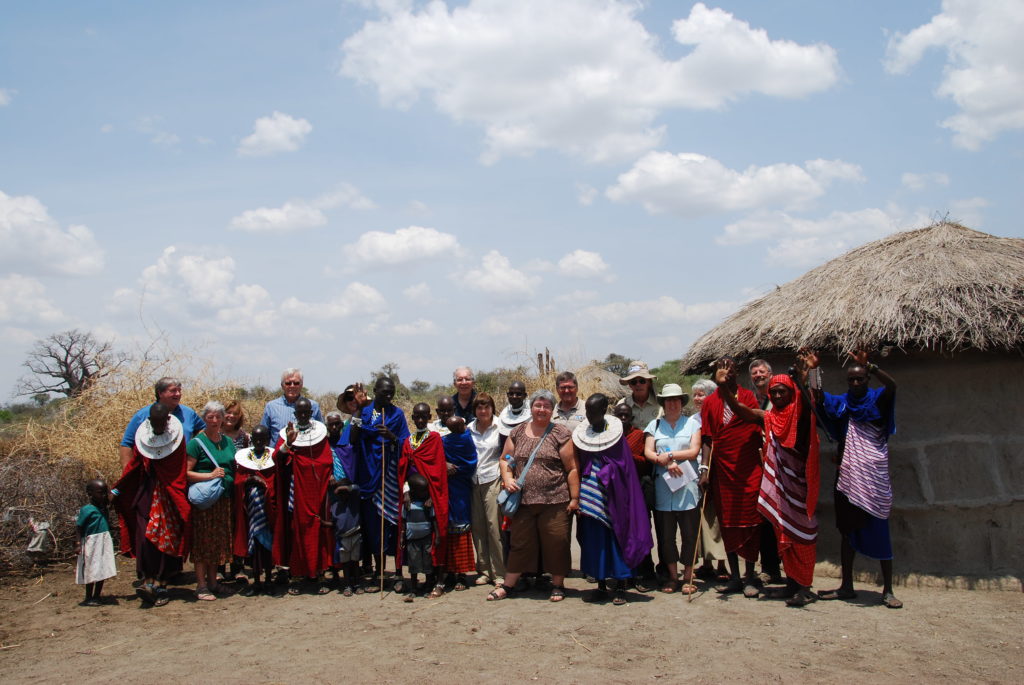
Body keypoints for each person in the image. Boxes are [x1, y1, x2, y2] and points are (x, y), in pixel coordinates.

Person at [716, 366, 820, 606]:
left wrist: (806, 379)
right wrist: (723, 387)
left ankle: (804, 587)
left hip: (799, 487)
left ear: (791, 393)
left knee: (802, 536)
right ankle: (792, 584)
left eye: (783, 391)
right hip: (781, 487)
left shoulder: (800, 415)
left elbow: (808, 404)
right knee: (783, 535)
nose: (778, 395)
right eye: (774, 393)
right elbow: (741, 410)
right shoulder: (770, 417)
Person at [808, 348, 902, 609]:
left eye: (860, 378)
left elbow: (892, 386)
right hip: (848, 477)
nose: (856, 383)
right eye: (851, 379)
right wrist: (814, 371)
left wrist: (870, 365)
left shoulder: (877, 400)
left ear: (867, 379)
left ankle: (888, 590)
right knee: (847, 532)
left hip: (874, 477)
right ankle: (847, 586)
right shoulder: (844, 404)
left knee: (880, 528)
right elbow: (818, 398)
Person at [488, 389, 578, 602]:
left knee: (557, 542)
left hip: (555, 500)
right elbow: (505, 459)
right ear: (531, 407)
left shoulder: (561, 433)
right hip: (524, 502)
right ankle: (508, 585)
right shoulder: (517, 432)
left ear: (552, 410)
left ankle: (558, 585)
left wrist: (575, 498)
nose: (542, 409)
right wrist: (508, 478)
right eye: (538, 405)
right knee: (519, 543)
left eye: (547, 406)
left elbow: (572, 468)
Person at [574, 394, 653, 605]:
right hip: (590, 495)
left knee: (616, 539)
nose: (589, 416)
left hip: (614, 494)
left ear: (603, 411)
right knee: (595, 541)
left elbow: (624, 466)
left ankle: (620, 586)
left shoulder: (617, 438)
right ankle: (600, 585)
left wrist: (608, 470)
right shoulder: (583, 435)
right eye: (587, 412)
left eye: (593, 412)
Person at [112, 403, 191, 607]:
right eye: (154, 423)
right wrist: (118, 489)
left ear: (167, 420)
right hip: (147, 493)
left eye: (161, 423)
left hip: (169, 494)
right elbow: (135, 465)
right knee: (145, 537)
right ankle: (148, 581)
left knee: (167, 538)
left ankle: (162, 584)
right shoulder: (143, 438)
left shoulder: (177, 439)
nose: (157, 427)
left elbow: (177, 470)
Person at [701, 357, 765, 597]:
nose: (726, 372)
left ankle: (750, 576)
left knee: (751, 521)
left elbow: (751, 422)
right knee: (727, 523)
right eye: (722, 368)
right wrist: (704, 470)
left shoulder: (748, 397)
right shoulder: (710, 402)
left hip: (748, 469)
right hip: (723, 470)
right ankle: (735, 576)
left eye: (731, 368)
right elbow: (707, 438)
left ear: (737, 372)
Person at [644, 384, 702, 595]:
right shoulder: (655, 425)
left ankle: (688, 576)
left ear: (681, 402)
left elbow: (694, 451)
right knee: (666, 536)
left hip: (687, 486)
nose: (672, 403)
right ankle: (672, 576)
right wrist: (665, 462)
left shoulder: (692, 424)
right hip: (664, 488)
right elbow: (648, 452)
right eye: (668, 400)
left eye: (676, 399)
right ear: (663, 403)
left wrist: (669, 456)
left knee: (689, 534)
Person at [353, 377, 410, 588]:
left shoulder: (397, 414)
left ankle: (398, 574)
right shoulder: (365, 412)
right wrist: (358, 409)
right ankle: (379, 574)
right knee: (375, 528)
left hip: (390, 477)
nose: (388, 396)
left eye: (391, 392)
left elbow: (406, 443)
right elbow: (353, 438)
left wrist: (392, 437)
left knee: (393, 525)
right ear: (375, 391)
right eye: (384, 392)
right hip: (369, 476)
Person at [272, 398, 334, 595]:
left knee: (319, 528)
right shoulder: (287, 433)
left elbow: (326, 461)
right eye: (300, 412)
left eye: (307, 412)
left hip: (317, 490)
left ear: (312, 412)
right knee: (297, 529)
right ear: (295, 414)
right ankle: (298, 576)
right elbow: (277, 459)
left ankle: (320, 574)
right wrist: (288, 444)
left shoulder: (320, 434)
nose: (304, 415)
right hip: (296, 491)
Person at [397, 403, 449, 598]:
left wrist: (432, 496)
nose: (420, 420)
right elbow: (404, 469)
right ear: (412, 418)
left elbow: (438, 471)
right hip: (413, 497)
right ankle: (419, 582)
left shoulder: (434, 439)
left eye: (423, 416)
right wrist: (406, 492)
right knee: (414, 539)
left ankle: (439, 581)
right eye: (416, 416)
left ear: (429, 417)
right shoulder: (408, 442)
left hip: (432, 495)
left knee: (437, 535)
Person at [186, 401, 236, 601]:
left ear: (223, 419)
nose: (214, 420)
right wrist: (210, 475)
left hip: (223, 500)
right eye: (210, 417)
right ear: (204, 419)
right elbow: (186, 473)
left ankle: (213, 582)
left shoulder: (228, 442)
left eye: (218, 416)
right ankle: (201, 585)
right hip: (205, 502)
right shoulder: (196, 443)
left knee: (216, 542)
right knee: (202, 542)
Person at [612, 402, 656, 591]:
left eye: (626, 415)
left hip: (637, 489)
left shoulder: (638, 435)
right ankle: (622, 574)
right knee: (619, 532)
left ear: (632, 417)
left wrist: (626, 457)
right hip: (616, 491)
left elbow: (646, 461)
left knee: (639, 531)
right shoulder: (609, 436)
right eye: (619, 415)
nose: (623, 418)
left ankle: (643, 573)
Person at [689, 379, 729, 582]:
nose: (697, 398)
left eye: (701, 394)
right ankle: (706, 563)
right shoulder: (692, 420)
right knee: (702, 518)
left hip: (719, 472)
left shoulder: (723, 415)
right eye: (695, 395)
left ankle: (722, 563)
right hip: (697, 474)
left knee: (718, 519)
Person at [118, 377, 205, 469]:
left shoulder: (188, 413)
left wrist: (194, 450)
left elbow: (203, 429)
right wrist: (128, 472)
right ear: (160, 393)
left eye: (179, 390)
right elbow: (127, 444)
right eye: (173, 390)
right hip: (151, 470)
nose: (178, 394)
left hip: (181, 468)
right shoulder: (142, 415)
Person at [748, 360, 782, 584]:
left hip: (781, 466)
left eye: (762, 371)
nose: (758, 375)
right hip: (758, 467)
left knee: (781, 518)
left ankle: (789, 568)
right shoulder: (751, 399)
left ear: (771, 373)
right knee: (763, 518)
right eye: (754, 373)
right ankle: (769, 567)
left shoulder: (780, 397)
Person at [233, 424, 277, 596]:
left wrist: (264, 485)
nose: (259, 442)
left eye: (262, 439)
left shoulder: (271, 459)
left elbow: (274, 481)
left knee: (267, 547)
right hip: (251, 512)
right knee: (255, 549)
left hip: (267, 511)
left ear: (267, 440)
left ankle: (269, 580)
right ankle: (257, 581)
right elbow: (238, 481)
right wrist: (249, 480)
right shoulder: (245, 459)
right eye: (256, 439)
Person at [469, 392, 506, 586]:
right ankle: (484, 570)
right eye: (479, 407)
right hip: (473, 480)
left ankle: (499, 572)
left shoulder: (500, 427)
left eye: (486, 407)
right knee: (478, 526)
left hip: (493, 479)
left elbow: (507, 454)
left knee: (494, 527)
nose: (483, 411)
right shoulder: (469, 429)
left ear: (492, 408)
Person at [325, 411, 362, 595]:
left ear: (342, 425)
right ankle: (338, 577)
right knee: (337, 535)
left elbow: (353, 465)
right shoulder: (324, 445)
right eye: (331, 424)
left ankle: (356, 580)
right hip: (333, 494)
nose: (334, 427)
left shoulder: (347, 443)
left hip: (351, 491)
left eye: (337, 424)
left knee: (355, 536)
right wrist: (329, 475)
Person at [441, 412, 478, 591]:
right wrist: (445, 465)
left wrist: (454, 468)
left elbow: (470, 462)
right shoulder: (447, 441)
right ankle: (451, 571)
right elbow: (437, 459)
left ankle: (461, 572)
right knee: (450, 528)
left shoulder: (463, 440)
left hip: (459, 487)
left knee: (461, 528)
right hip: (450, 487)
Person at [75, 479, 116, 607]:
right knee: (91, 568)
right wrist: (78, 544)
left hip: (104, 541)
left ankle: (97, 595)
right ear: (90, 493)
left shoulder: (103, 509)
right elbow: (79, 527)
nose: (103, 495)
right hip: (91, 542)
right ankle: (89, 597)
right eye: (100, 493)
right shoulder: (87, 510)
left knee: (102, 568)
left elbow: (117, 493)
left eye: (105, 492)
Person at [400, 473, 437, 602]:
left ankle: (428, 587)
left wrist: (437, 536)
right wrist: (402, 536)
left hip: (426, 538)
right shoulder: (408, 505)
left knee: (427, 564)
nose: (425, 493)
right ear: (413, 491)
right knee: (413, 565)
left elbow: (433, 520)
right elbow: (403, 521)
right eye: (423, 491)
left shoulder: (427, 505)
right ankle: (414, 589)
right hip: (412, 540)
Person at [259, 368, 324, 442]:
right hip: (278, 449)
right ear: (282, 385)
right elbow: (263, 435)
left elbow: (321, 433)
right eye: (288, 383)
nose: (292, 386)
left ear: (301, 385)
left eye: (296, 383)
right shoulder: (271, 407)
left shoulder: (313, 406)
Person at [617, 360, 662, 429]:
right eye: (633, 382)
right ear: (630, 385)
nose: (638, 385)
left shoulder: (661, 403)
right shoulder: (622, 404)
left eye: (642, 381)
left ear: (649, 383)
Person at [496, 381, 531, 448]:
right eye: (511, 394)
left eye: (518, 394)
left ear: (525, 396)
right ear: (507, 395)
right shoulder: (503, 415)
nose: (514, 396)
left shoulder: (533, 416)